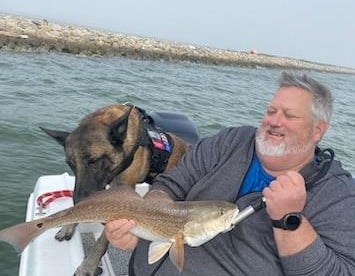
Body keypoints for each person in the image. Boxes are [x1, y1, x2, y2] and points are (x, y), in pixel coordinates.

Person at [105, 72, 355, 275]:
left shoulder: (338, 195)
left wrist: (289, 221)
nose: (274, 121)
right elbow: (170, 185)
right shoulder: (231, 141)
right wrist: (145, 223)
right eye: (271, 111)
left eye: (289, 116)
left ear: (317, 130)